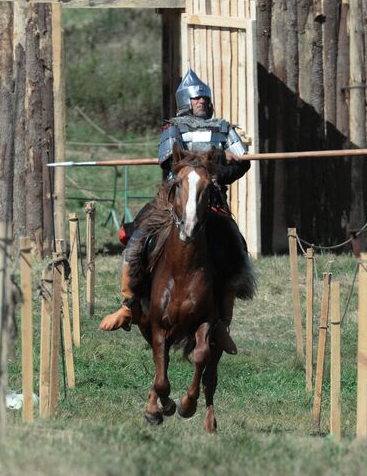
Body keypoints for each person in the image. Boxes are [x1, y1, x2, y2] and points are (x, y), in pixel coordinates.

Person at [99, 69, 252, 354]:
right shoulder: (173, 128)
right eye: (196, 99)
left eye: (204, 98)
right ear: (185, 101)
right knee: (138, 237)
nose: (202, 102)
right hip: (174, 198)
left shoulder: (224, 128)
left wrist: (223, 169)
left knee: (236, 247)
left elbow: (243, 162)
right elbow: (168, 161)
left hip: (211, 198)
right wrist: (210, 159)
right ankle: (128, 305)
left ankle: (222, 325)